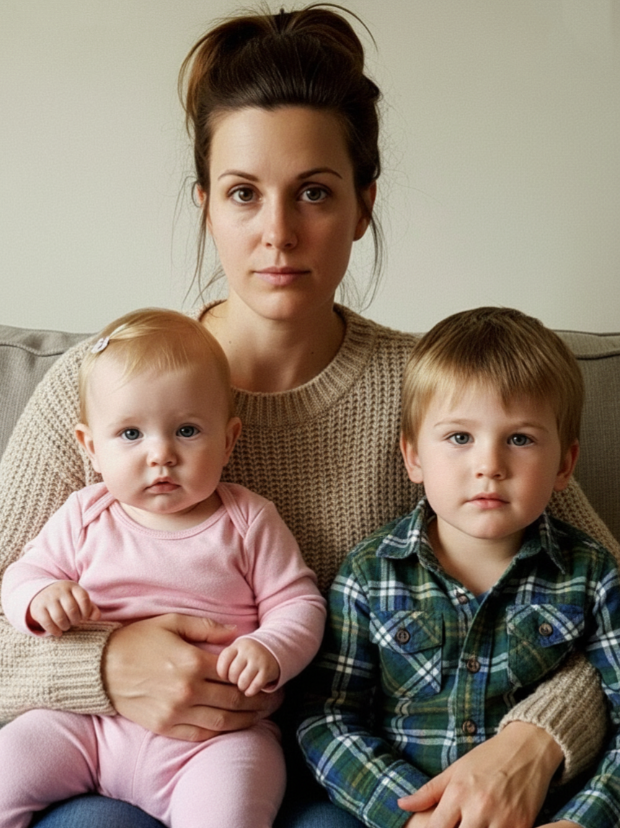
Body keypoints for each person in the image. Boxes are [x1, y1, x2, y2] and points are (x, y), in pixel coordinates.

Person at [0, 6, 617, 828]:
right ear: (206, 206)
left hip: (355, 782)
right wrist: (103, 667)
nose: (279, 234)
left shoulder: (439, 395)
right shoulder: (101, 387)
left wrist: (535, 741)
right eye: (243, 194)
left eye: (315, 193)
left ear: (363, 206)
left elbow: (601, 598)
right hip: (112, 762)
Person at [0, 308, 326, 828]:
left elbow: (299, 603)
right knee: (10, 763)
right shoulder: (85, 514)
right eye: (131, 433)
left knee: (232, 806)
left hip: (215, 739)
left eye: (187, 430)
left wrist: (271, 648)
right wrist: (40, 598)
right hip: (90, 725)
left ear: (228, 440)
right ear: (91, 447)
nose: (161, 454)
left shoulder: (247, 520)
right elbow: (19, 575)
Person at [298, 307, 620, 828]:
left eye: (520, 439)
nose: (489, 465)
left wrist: (583, 820)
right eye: (460, 438)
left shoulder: (591, 574)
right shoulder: (371, 573)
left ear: (565, 463)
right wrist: (411, 814)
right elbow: (327, 716)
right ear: (413, 457)